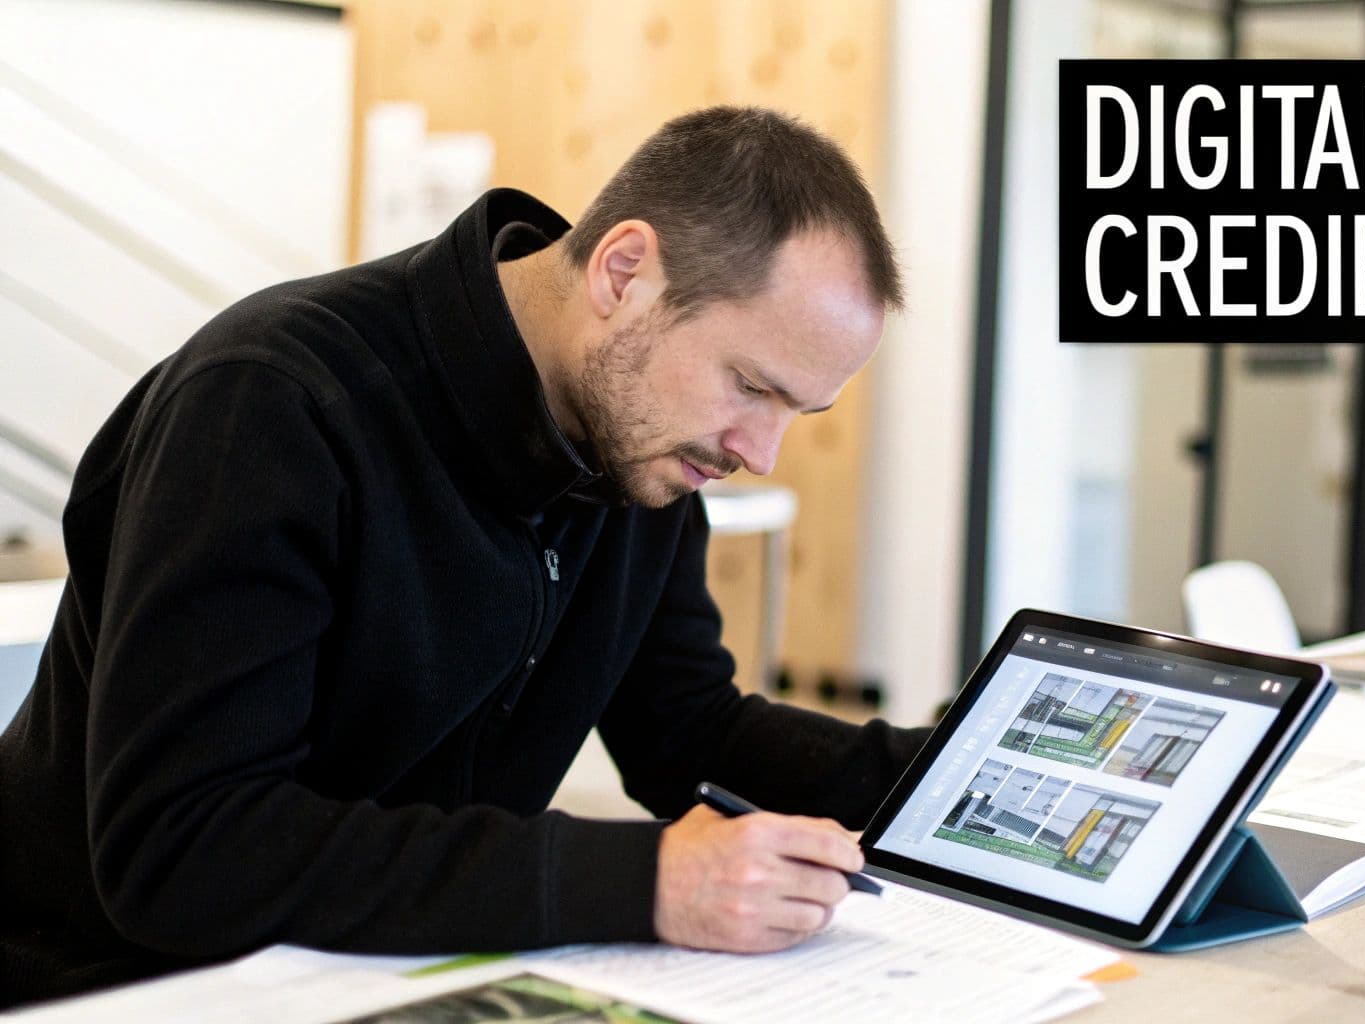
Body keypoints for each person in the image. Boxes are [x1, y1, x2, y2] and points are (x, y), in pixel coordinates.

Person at [0, 107, 930, 1008]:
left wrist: (951, 780)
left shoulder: (638, 445)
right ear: (624, 273)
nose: (758, 453)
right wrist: (643, 879)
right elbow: (185, 850)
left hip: (393, 973)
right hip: (111, 988)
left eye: (796, 412)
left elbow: (685, 734)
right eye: (751, 386)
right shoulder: (272, 403)